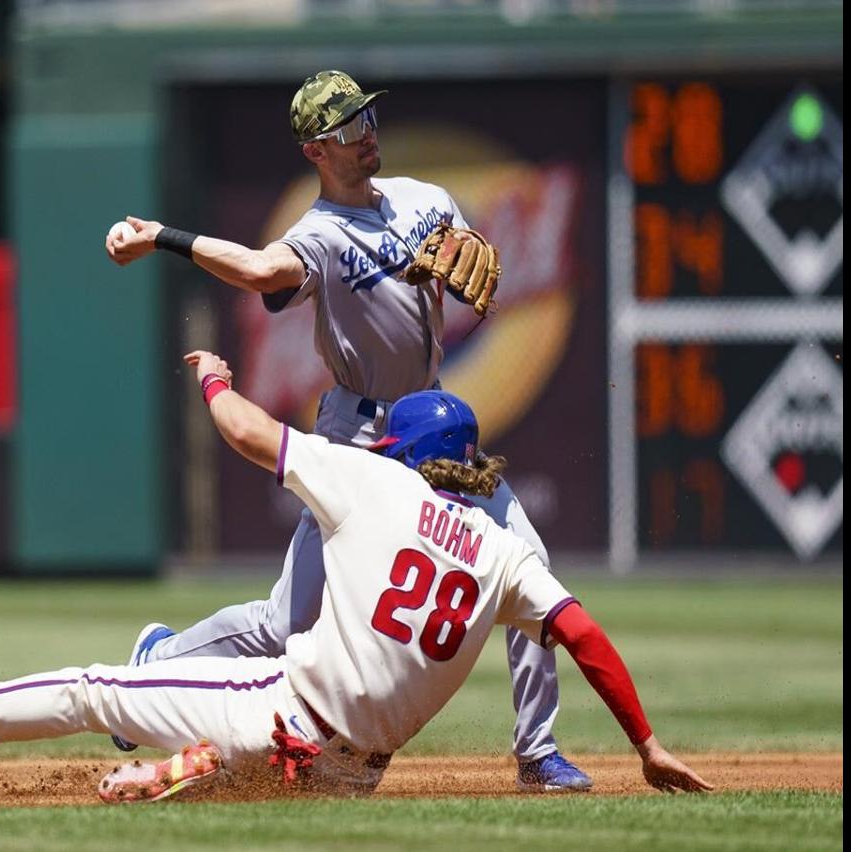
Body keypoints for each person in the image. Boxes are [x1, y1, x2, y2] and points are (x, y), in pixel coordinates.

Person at [0, 350, 713, 804]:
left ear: (407, 456)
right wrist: (645, 743)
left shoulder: (375, 480)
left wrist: (214, 379)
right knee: (266, 761)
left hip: (277, 711)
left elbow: (243, 430)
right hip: (351, 775)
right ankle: (191, 770)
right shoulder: (506, 557)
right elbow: (584, 635)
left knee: (93, 689)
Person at [105, 70, 589, 791]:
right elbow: (260, 268)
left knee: (530, 562)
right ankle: (159, 662)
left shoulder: (427, 198)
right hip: (358, 436)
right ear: (315, 152)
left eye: (366, 120)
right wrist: (163, 238)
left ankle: (537, 752)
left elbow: (475, 254)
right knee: (287, 624)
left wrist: (471, 252)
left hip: (435, 426)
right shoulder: (320, 235)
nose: (367, 137)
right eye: (348, 130)